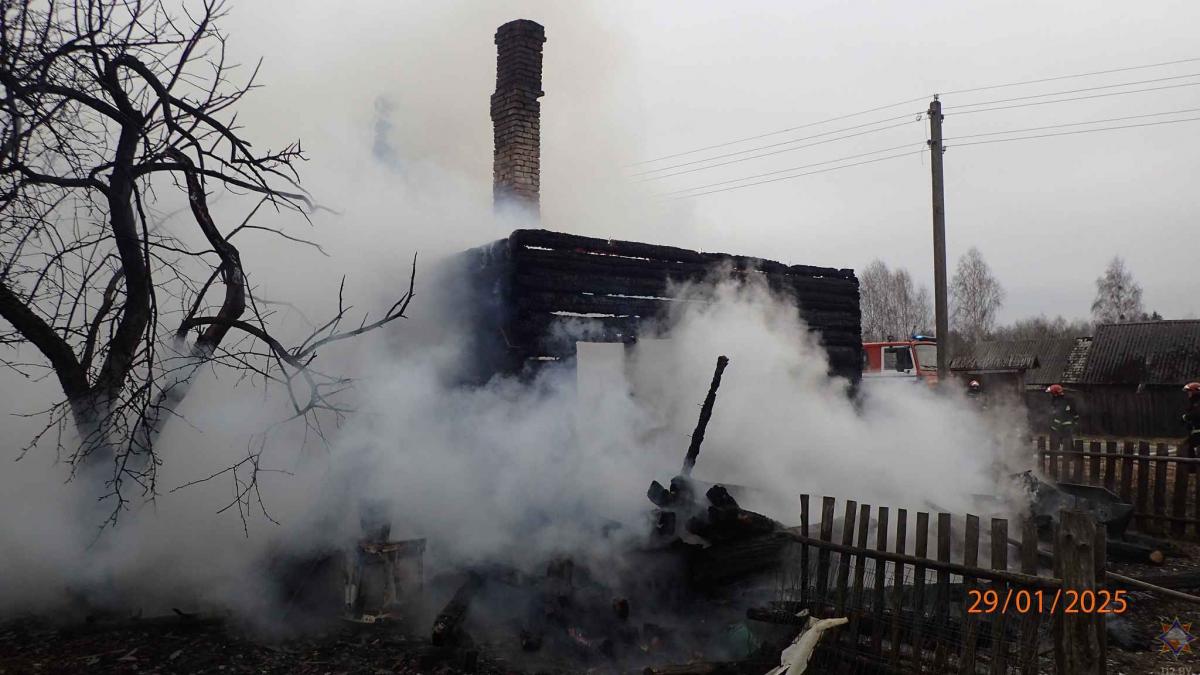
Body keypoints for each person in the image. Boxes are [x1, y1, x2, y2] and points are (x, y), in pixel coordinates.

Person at [1046, 384, 1079, 453]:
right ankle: (1062, 453)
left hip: (1063, 424)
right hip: (1062, 424)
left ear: (1055, 393)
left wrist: (1054, 424)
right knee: (1063, 439)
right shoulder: (1058, 399)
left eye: (1051, 393)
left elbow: (1060, 414)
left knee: (1065, 439)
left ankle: (1069, 454)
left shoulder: (1062, 401)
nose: (1050, 395)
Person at [1182, 382, 1200, 461]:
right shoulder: (1193, 403)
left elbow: (1196, 414)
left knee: (1188, 448)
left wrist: (1186, 417)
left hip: (1198, 433)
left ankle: (1192, 469)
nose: (1188, 394)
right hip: (1195, 432)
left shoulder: (1197, 403)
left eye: (1189, 392)